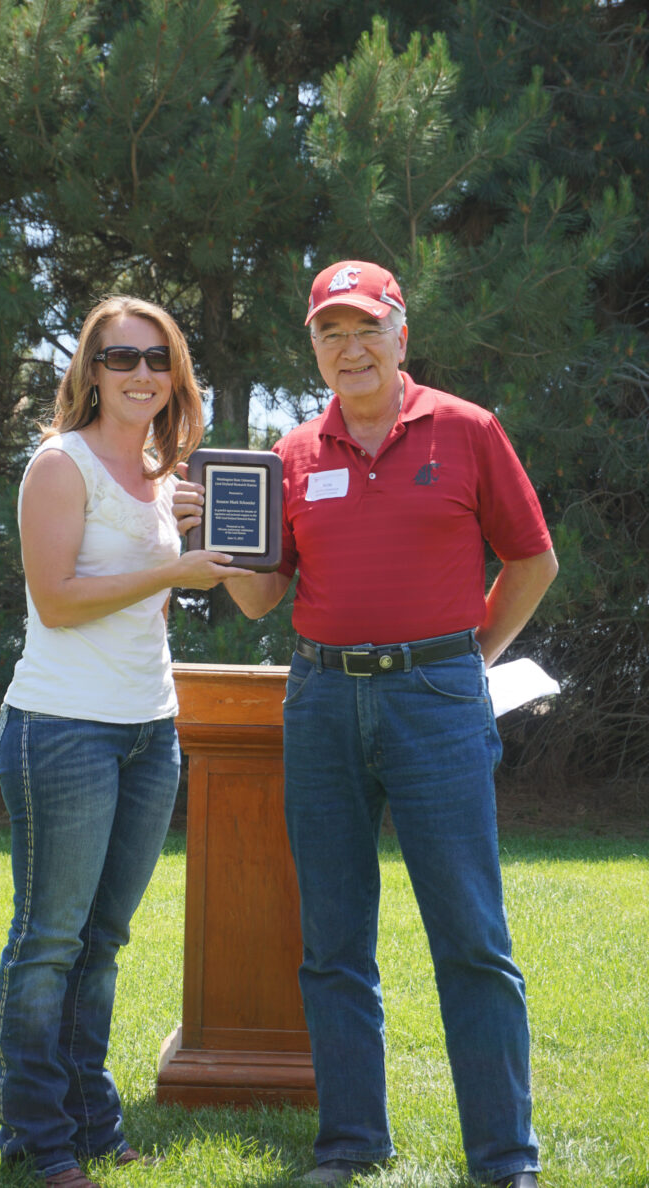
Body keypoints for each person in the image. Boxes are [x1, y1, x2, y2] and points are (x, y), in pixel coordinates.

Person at [173, 261, 558, 1188]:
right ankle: (350, 1142)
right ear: (314, 349)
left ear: (400, 334)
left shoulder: (467, 430)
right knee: (334, 939)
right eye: (329, 333)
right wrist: (213, 547)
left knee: (470, 936)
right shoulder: (293, 454)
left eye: (365, 328)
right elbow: (265, 600)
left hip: (436, 702)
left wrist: (471, 657)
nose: (350, 348)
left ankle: (503, 1159)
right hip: (320, 704)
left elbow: (532, 559)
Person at [0, 295, 251, 1188]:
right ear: (90, 372)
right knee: (49, 940)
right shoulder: (59, 467)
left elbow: (147, 596)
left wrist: (186, 537)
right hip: (62, 729)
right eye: (120, 357)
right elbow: (58, 601)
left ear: (173, 373)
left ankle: (90, 1118)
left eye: (157, 358)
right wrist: (173, 568)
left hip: (148, 730)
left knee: (103, 940)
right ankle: (37, 1134)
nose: (141, 373)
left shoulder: (157, 470)